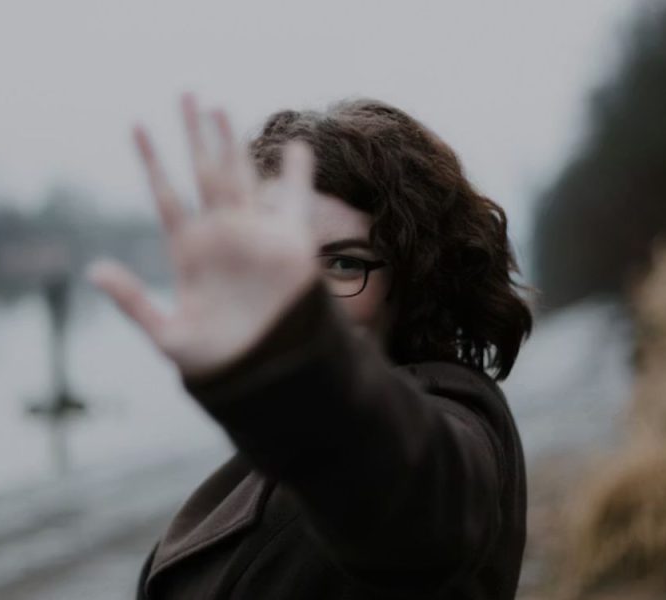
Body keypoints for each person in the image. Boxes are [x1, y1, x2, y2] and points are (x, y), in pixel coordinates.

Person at [89, 93, 534, 599]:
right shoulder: (289, 435)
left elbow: (420, 517)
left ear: (417, 280)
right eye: (280, 258)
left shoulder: (450, 420)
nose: (297, 295)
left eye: (344, 263)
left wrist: (297, 367)